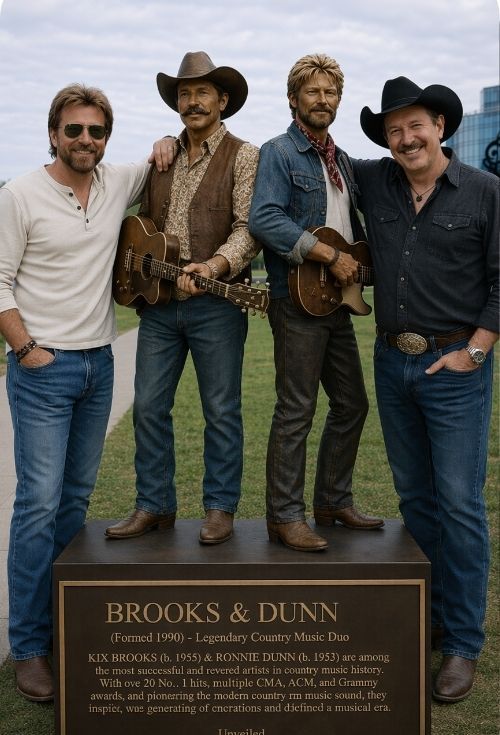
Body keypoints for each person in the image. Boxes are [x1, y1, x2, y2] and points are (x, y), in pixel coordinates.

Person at [0, 83, 172, 702]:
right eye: (73, 130)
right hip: (43, 369)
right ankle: (29, 647)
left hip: (99, 366)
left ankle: (60, 626)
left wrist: (166, 139)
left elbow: (162, 156)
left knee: (73, 504)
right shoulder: (19, 195)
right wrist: (26, 348)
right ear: (53, 134)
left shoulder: (115, 182)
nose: (85, 140)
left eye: (96, 131)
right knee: (38, 505)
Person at [352, 77, 499, 702]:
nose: (406, 138)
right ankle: (433, 617)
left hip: (455, 366)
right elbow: (310, 154)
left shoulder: (485, 191)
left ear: (440, 126)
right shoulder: (374, 180)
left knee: (460, 503)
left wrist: (475, 352)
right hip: (393, 363)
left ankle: (463, 643)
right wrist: (173, 141)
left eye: (415, 125)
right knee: (416, 500)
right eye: (394, 130)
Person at [105, 52, 260, 546]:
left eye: (202, 93)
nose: (192, 102)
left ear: (223, 100)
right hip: (158, 303)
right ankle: (154, 505)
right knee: (149, 408)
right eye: (185, 94)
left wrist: (213, 267)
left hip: (217, 304)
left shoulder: (245, 155)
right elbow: (137, 225)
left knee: (221, 411)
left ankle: (220, 508)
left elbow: (248, 229)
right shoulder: (162, 157)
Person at [248, 54, 383, 553]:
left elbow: (350, 226)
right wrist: (327, 254)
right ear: (293, 99)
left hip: (336, 303)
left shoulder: (341, 160)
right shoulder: (279, 152)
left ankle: (332, 502)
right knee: (296, 410)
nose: (323, 100)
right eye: (313, 91)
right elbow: (264, 218)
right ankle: (284, 517)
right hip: (297, 301)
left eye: (330, 92)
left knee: (352, 404)